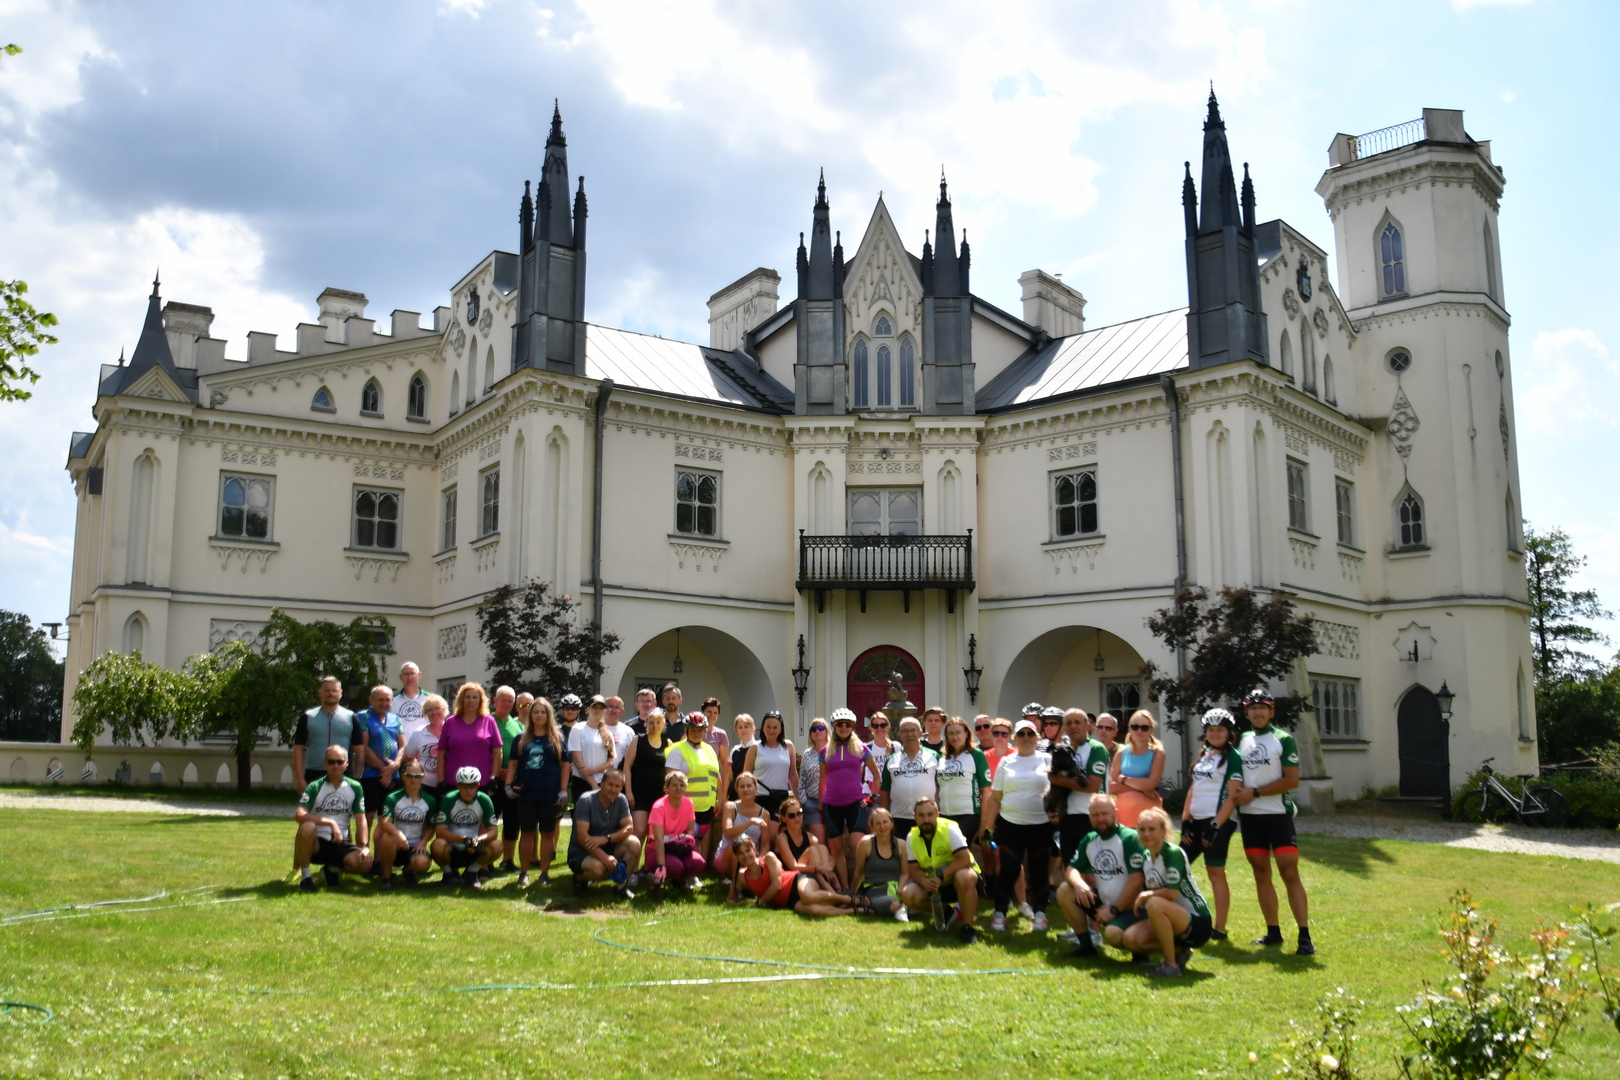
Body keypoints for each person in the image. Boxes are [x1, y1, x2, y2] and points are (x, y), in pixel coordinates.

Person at [1233, 688, 1314, 955]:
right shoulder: (1243, 739)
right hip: (1250, 817)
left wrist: (1255, 792)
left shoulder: (1283, 739)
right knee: (1260, 873)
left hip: (1278, 816)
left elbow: (1292, 780)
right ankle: (1273, 932)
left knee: (1289, 873)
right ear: (1247, 713)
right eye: (1252, 708)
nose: (1257, 712)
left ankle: (1304, 936)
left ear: (1271, 712)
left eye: (1262, 708)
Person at [1123, 806, 1213, 976]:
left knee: (1154, 903)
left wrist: (1147, 894)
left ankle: (1171, 965)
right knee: (1131, 939)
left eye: (1152, 829)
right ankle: (1181, 951)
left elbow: (1172, 894)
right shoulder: (1146, 857)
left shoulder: (1173, 853)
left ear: (1163, 831)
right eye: (1142, 829)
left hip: (1197, 922)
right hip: (1170, 918)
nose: (1146, 834)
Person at [981, 718, 1051, 933]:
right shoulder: (1006, 762)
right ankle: (999, 913)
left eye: (1030, 734)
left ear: (1037, 737)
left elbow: (1058, 791)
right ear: (1015, 738)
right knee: (1008, 869)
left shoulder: (1047, 759)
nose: (1026, 738)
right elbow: (995, 798)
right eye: (1022, 734)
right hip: (1010, 824)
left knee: (1039, 871)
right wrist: (988, 828)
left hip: (1041, 824)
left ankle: (1040, 914)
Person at [1056, 793, 1146, 960]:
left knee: (1113, 936)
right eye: (1095, 815)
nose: (1100, 819)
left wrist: (1114, 910)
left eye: (1105, 814)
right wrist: (1079, 884)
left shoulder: (1129, 838)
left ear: (1115, 813)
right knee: (1065, 890)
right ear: (1089, 817)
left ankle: (1141, 951)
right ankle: (1086, 946)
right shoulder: (1090, 839)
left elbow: (1137, 880)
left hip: (1133, 908)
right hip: (1105, 905)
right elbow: (1071, 869)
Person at [1180, 707, 1244, 938]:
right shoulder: (1205, 754)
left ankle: (1220, 928)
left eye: (1220, 730)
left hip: (1219, 822)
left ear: (1229, 733)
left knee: (1215, 873)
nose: (1215, 734)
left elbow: (1233, 797)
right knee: (1177, 867)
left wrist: (1214, 825)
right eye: (1211, 729)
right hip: (1196, 821)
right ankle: (1183, 917)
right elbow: (1193, 789)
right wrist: (1185, 820)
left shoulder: (1233, 757)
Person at [508, 696, 571, 887]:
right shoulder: (521, 738)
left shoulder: (557, 738)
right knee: (527, 833)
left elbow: (565, 765)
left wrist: (563, 790)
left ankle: (544, 873)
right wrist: (508, 785)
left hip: (550, 795)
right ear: (531, 715)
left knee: (548, 834)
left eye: (543, 712)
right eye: (536, 712)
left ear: (548, 715)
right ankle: (524, 872)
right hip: (526, 795)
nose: (539, 715)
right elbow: (513, 763)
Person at [901, 797, 981, 943]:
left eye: (930, 815)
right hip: (936, 885)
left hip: (961, 879)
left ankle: (968, 927)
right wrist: (924, 881)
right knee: (907, 894)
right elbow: (914, 868)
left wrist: (940, 876)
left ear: (937, 815)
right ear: (914, 817)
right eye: (921, 815)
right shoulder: (911, 837)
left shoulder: (950, 829)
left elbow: (965, 860)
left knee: (964, 876)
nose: (926, 820)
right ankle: (946, 913)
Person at [293, 746, 372, 890]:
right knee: (307, 826)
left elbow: (361, 820)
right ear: (325, 763)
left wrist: (365, 847)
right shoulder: (315, 786)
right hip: (316, 843)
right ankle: (306, 878)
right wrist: (330, 822)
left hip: (341, 842)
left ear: (347, 763)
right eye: (331, 762)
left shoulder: (355, 787)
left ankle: (331, 870)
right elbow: (299, 814)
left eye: (340, 762)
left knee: (365, 864)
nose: (335, 766)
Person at [725, 835, 854, 916]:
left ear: (754, 849)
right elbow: (730, 900)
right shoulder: (742, 876)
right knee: (815, 910)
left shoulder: (768, 858)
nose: (745, 855)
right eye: (740, 853)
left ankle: (850, 900)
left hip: (797, 880)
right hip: (788, 901)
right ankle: (853, 911)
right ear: (736, 857)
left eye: (747, 850)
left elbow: (777, 885)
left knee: (808, 896)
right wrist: (740, 902)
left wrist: (759, 902)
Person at [819, 708, 877, 887]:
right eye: (840, 724)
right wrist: (821, 807)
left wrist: (871, 798)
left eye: (848, 724)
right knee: (837, 850)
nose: (844, 727)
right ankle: (845, 888)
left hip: (855, 803)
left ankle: (858, 886)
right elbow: (823, 780)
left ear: (852, 727)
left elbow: (877, 775)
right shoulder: (825, 751)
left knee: (859, 844)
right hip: (831, 805)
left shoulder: (861, 749)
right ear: (834, 726)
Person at [567, 768, 639, 899]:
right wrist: (605, 858)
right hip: (582, 851)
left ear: (622, 787)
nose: (613, 789)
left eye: (617, 786)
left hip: (608, 846)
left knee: (634, 843)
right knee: (598, 869)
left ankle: (621, 887)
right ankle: (579, 878)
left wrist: (607, 838)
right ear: (602, 783)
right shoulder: (586, 800)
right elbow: (582, 837)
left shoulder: (621, 800)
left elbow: (629, 828)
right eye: (610, 784)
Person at [1050, 707, 1110, 864]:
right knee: (1070, 866)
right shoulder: (1062, 750)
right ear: (1063, 728)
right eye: (1069, 723)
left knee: (1093, 867)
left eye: (1077, 722)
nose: (1073, 726)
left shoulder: (1096, 749)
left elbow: (1091, 786)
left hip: (1091, 816)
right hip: (1067, 816)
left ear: (1087, 725)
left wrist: (1057, 779)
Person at [664, 711, 722, 861]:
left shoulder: (709, 749)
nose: (697, 733)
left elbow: (716, 775)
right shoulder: (677, 750)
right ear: (687, 730)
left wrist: (721, 799)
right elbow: (670, 779)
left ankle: (694, 870)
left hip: (706, 806)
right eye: (693, 730)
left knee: (697, 842)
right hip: (685, 807)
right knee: (683, 843)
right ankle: (677, 869)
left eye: (700, 730)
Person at [439, 683, 504, 815]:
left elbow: (498, 752)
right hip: (454, 783)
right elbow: (441, 753)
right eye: (467, 697)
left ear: (481, 700)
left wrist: (493, 778)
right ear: (461, 699)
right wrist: (441, 782)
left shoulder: (489, 721)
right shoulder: (450, 722)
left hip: (482, 783)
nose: (471, 700)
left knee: (482, 821)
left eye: (475, 697)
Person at [431, 766, 501, 888]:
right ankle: (448, 873)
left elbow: (493, 831)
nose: (468, 790)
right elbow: (440, 830)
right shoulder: (449, 799)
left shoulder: (484, 800)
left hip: (474, 846)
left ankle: (472, 872)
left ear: (478, 785)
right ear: (458, 786)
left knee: (497, 846)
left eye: (472, 786)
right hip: (452, 846)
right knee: (437, 845)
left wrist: (478, 840)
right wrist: (464, 840)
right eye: (464, 786)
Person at [375, 762, 436, 890]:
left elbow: (431, 827)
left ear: (423, 777)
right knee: (388, 837)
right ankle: (386, 877)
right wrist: (398, 834)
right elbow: (385, 822)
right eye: (409, 775)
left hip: (415, 846)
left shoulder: (430, 800)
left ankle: (408, 871)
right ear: (403, 776)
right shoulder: (393, 797)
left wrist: (423, 842)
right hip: (395, 843)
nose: (413, 779)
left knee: (423, 864)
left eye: (417, 776)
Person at [291, 676, 363, 783]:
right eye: (327, 690)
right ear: (320, 692)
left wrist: (357, 776)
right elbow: (298, 749)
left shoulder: (351, 717)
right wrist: (300, 779)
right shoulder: (308, 717)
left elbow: (360, 750)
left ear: (341, 693)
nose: (331, 694)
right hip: (314, 774)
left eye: (334, 691)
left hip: (342, 773)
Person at [623, 706, 671, 861]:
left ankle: (649, 867)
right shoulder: (638, 740)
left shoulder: (668, 743)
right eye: (651, 722)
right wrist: (628, 792)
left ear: (663, 724)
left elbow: (670, 770)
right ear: (646, 724)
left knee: (654, 833)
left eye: (658, 722)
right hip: (639, 793)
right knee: (639, 831)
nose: (655, 726)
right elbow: (627, 767)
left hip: (659, 795)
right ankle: (632, 868)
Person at [881, 717, 939, 843]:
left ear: (921, 733)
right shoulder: (891, 760)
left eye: (913, 730)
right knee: (902, 852)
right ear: (900, 734)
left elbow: (940, 786)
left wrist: (937, 811)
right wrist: (885, 815)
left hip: (927, 817)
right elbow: (885, 790)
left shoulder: (934, 756)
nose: (910, 734)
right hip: (899, 817)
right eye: (905, 731)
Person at [646, 771, 705, 893]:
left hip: (680, 847)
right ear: (667, 787)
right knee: (675, 866)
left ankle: (680, 882)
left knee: (699, 863)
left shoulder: (689, 803)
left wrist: (681, 839)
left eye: (682, 785)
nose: (678, 788)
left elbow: (691, 830)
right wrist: (661, 865)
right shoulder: (659, 807)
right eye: (674, 785)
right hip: (658, 849)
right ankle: (657, 884)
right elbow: (658, 840)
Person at [356, 684, 404, 833]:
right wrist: (384, 769)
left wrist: (396, 764)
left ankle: (381, 849)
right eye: (380, 700)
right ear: (371, 700)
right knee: (368, 816)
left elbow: (402, 746)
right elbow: (363, 746)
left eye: (388, 700)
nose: (384, 703)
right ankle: (362, 846)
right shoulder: (363, 716)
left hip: (393, 776)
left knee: (386, 819)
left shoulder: (396, 719)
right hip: (370, 775)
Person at [936, 716, 990, 845]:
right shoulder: (943, 757)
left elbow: (986, 790)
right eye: (951, 733)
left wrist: (984, 822)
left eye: (958, 732)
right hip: (944, 815)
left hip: (968, 814)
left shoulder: (976, 755)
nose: (955, 737)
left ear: (966, 733)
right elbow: (938, 788)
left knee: (958, 848)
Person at [851, 806, 910, 921]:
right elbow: (859, 872)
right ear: (872, 827)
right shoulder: (865, 844)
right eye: (878, 823)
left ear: (892, 823)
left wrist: (900, 889)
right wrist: (852, 895)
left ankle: (903, 908)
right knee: (891, 902)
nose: (882, 826)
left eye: (885, 822)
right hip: (876, 890)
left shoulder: (901, 844)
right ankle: (903, 908)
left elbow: (905, 873)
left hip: (897, 888)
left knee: (916, 888)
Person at [1109, 710, 1165, 827]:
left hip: (1150, 819)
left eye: (1144, 728)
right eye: (1135, 727)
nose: (1139, 731)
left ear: (1151, 730)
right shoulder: (1121, 753)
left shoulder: (1158, 753)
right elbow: (1110, 787)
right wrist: (1142, 787)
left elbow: (1150, 784)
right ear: (1129, 729)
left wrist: (1123, 779)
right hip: (1123, 818)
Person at [714, 771, 772, 880]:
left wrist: (760, 861)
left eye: (749, 786)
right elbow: (727, 833)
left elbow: (765, 845)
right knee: (738, 846)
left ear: (756, 788)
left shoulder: (764, 814)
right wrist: (750, 822)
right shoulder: (730, 807)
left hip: (751, 856)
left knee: (769, 857)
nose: (746, 789)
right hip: (727, 855)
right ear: (737, 790)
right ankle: (735, 884)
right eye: (742, 786)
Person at [491, 685, 524, 873]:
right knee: (490, 820)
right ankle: (487, 861)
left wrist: (511, 771)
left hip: (513, 781)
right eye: (504, 700)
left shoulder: (518, 725)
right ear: (495, 701)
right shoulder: (487, 721)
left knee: (512, 822)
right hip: (492, 781)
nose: (507, 704)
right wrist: (496, 770)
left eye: (511, 701)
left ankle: (508, 860)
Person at [745, 711, 797, 821]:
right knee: (765, 829)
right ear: (763, 728)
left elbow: (793, 775)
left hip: (781, 797)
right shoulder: (755, 747)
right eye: (768, 727)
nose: (771, 730)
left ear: (781, 729)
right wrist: (746, 799)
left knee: (779, 829)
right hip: (760, 797)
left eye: (775, 727)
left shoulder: (788, 746)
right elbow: (746, 776)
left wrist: (799, 799)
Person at [567, 696, 616, 802]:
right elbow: (577, 761)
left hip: (602, 783)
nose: (598, 710)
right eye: (594, 707)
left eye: (601, 708)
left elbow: (611, 762)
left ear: (605, 711)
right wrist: (594, 786)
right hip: (582, 782)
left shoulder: (608, 733)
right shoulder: (578, 729)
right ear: (588, 709)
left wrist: (593, 770)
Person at [773, 795, 834, 878]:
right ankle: (827, 884)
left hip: (811, 872)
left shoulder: (810, 837)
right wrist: (816, 868)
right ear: (784, 818)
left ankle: (828, 881)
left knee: (822, 848)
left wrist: (829, 866)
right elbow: (793, 866)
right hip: (792, 876)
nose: (797, 818)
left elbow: (829, 858)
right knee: (812, 850)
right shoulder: (782, 838)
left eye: (799, 813)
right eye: (792, 816)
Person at [403, 694, 449, 799]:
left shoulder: (452, 731)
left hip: (449, 783)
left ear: (444, 709)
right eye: (429, 710)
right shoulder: (418, 734)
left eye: (437, 708)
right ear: (425, 713)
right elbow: (408, 757)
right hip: (425, 784)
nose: (434, 713)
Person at [797, 718, 829, 844]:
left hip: (832, 803)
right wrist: (805, 802)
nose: (817, 731)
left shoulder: (834, 752)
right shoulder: (807, 754)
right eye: (813, 729)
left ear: (827, 731)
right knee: (819, 843)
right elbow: (802, 781)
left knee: (834, 844)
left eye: (821, 728)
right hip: (812, 803)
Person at [701, 697, 732, 802]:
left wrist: (723, 794)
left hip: (713, 782)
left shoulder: (721, 735)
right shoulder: (694, 733)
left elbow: (724, 765)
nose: (712, 715)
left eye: (715, 713)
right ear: (702, 712)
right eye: (709, 712)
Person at [395, 662, 429, 745]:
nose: (409, 677)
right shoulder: (391, 699)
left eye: (412, 673)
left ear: (419, 675)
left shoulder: (430, 699)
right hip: (399, 749)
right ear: (401, 678)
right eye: (406, 674)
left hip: (424, 748)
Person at [599, 693, 635, 768]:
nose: (614, 711)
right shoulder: (595, 728)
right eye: (610, 707)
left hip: (619, 773)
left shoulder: (628, 732)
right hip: (596, 773)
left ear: (622, 711)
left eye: (617, 708)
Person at [727, 713, 756, 802]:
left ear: (753, 728)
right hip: (736, 796)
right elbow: (729, 776)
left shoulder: (760, 748)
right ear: (736, 731)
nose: (743, 730)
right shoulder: (734, 751)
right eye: (740, 727)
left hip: (755, 796)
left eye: (746, 726)